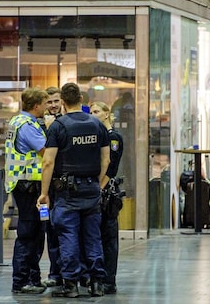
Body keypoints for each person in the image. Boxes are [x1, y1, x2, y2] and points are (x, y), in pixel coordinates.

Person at [37, 82, 110, 298]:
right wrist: (96, 180)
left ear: (63, 103)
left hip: (67, 191)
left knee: (68, 235)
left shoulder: (58, 126)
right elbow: (106, 158)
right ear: (81, 100)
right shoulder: (96, 124)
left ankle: (70, 284)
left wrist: (44, 193)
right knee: (93, 236)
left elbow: (48, 162)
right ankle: (97, 282)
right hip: (91, 188)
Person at [5, 87, 49, 294]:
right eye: (45, 103)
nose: (47, 107)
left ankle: (32, 278)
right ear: (36, 105)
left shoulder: (17, 121)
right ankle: (21, 281)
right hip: (29, 185)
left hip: (24, 183)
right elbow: (45, 151)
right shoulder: (28, 126)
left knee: (35, 233)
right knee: (29, 233)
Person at [90, 101, 124, 294]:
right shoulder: (95, 137)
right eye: (91, 111)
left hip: (107, 193)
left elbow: (111, 166)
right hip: (94, 190)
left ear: (106, 114)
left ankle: (109, 280)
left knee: (109, 238)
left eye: (97, 111)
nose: (93, 114)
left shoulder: (113, 138)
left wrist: (100, 188)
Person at [38, 86, 63, 288]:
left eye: (56, 101)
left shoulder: (68, 122)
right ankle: (55, 273)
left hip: (66, 183)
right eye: (49, 102)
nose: (53, 105)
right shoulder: (39, 125)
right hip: (47, 185)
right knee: (51, 231)